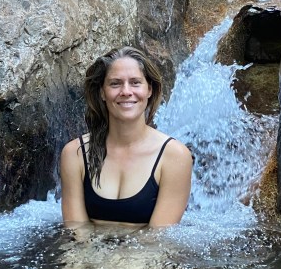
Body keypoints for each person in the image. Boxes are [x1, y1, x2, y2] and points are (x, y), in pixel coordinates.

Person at [60, 46, 193, 230]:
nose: (126, 91)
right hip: (88, 248)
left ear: (149, 90)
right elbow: (76, 232)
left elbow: (158, 239)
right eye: (115, 84)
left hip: (149, 249)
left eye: (135, 83)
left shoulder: (174, 156)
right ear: (102, 92)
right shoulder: (75, 153)